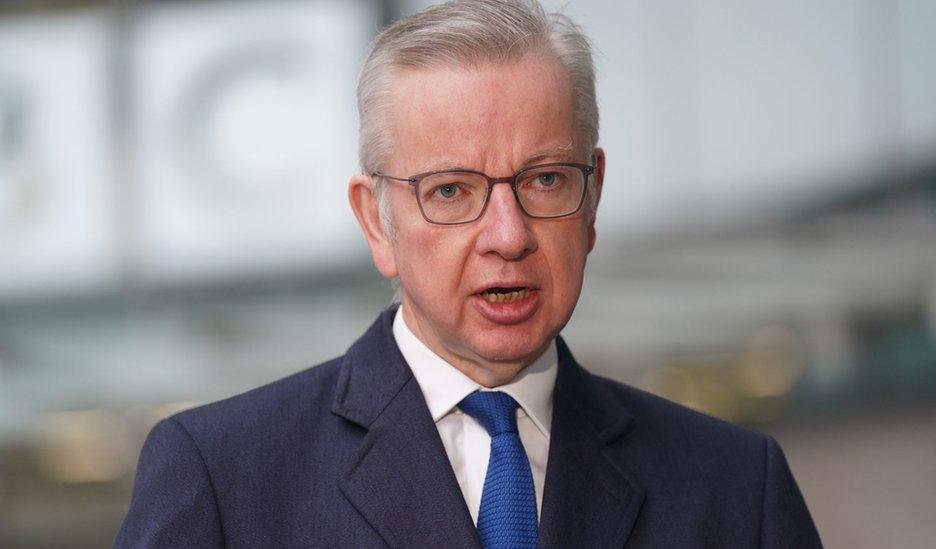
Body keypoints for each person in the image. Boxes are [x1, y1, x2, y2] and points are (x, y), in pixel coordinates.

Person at [115, 1, 822, 547]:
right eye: (451, 191)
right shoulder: (222, 477)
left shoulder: (735, 489)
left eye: (545, 180)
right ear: (376, 222)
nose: (508, 236)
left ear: (594, 195)